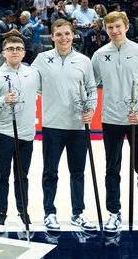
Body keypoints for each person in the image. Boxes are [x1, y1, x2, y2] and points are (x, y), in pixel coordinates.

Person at [91, 12, 138, 236]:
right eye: (110, 27)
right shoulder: (100, 55)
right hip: (111, 119)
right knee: (112, 168)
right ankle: (114, 214)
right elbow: (90, 85)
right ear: (105, 29)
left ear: (127, 26)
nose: (114, 31)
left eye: (118, 26)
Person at [32, 21, 99, 232]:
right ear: (52, 37)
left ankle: (78, 213)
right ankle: (49, 214)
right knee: (50, 172)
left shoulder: (83, 61)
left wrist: (92, 109)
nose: (64, 38)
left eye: (67, 34)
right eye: (59, 34)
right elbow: (33, 84)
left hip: (78, 127)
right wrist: (53, 97)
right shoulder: (42, 59)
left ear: (73, 35)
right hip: (52, 125)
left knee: (78, 172)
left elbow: (92, 89)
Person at [0, 36, 39, 233]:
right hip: (4, 132)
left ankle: (23, 214)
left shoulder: (33, 74)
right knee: (2, 176)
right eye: (10, 48)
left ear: (24, 53)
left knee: (22, 177)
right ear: (3, 53)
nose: (15, 51)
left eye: (18, 48)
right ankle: (1, 214)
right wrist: (1, 101)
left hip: (27, 134)